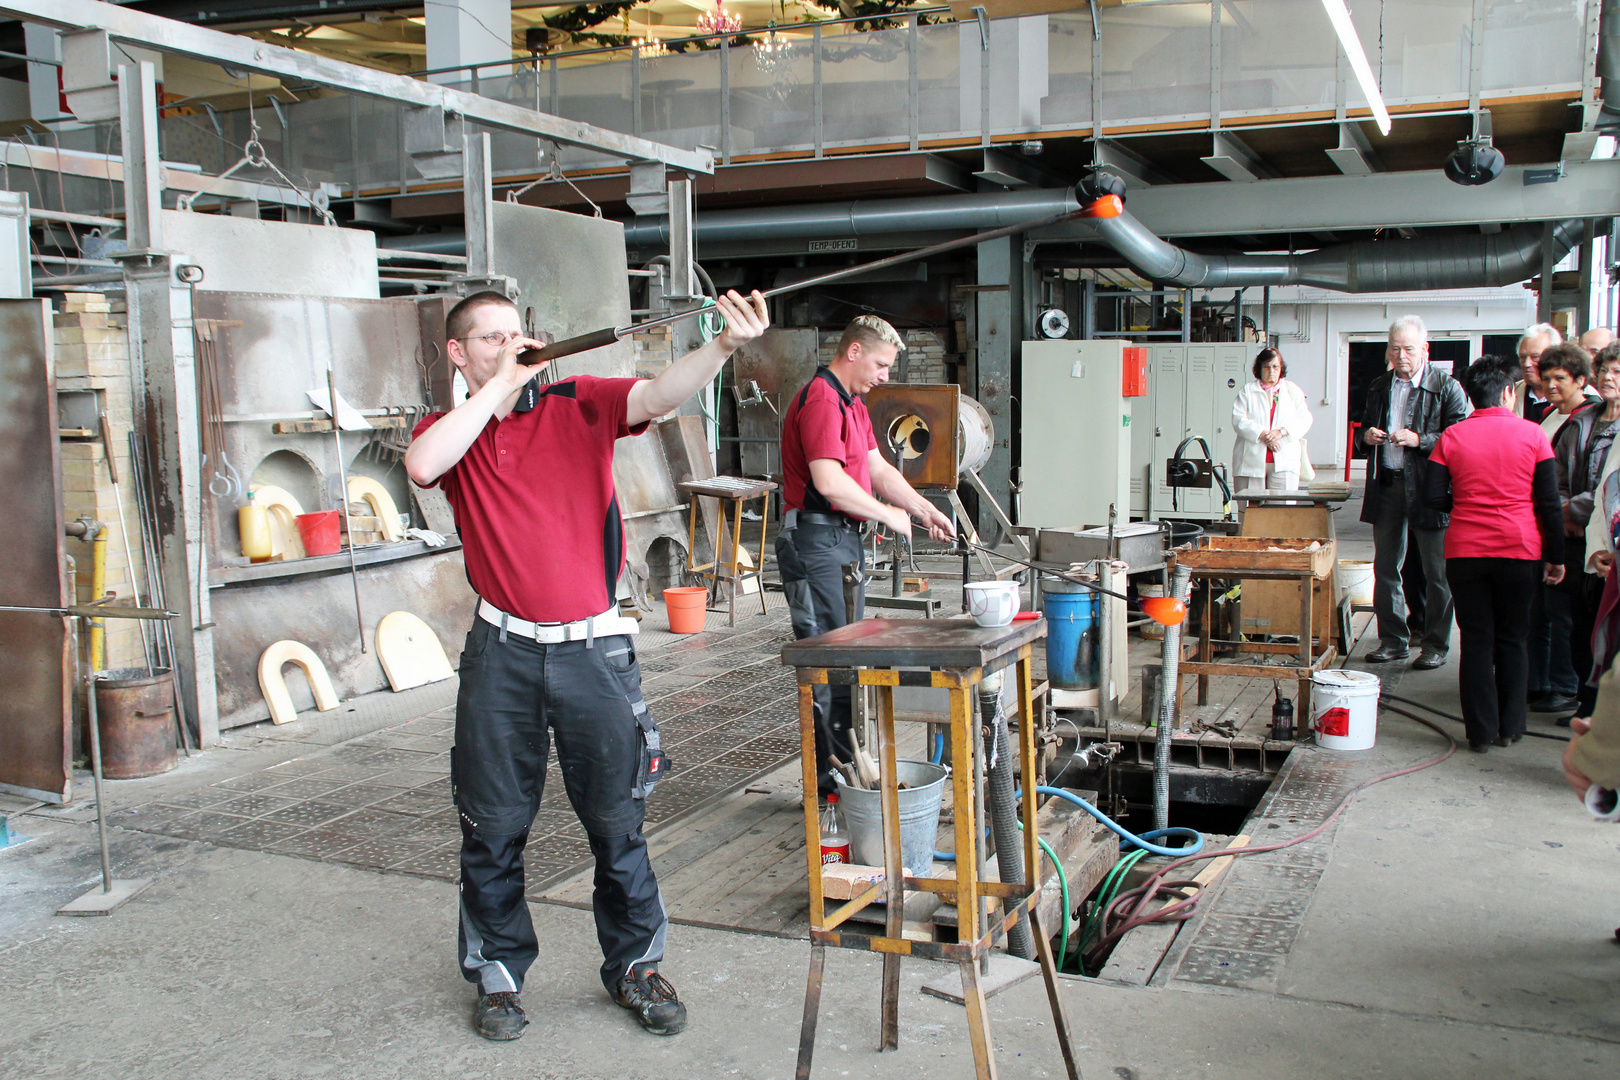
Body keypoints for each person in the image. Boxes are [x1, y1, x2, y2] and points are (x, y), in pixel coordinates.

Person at [404, 287, 770, 1041]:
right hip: (501, 652)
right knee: (493, 824)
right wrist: (498, 389)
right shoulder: (453, 430)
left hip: (594, 650)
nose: (511, 344)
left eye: (518, 332)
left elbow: (657, 390)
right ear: (459, 353)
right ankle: (498, 977)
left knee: (617, 821)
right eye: (492, 338)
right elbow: (421, 464)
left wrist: (723, 349)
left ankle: (635, 967)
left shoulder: (579, 402)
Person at [776, 315, 956, 796]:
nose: (884, 376)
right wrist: (888, 516)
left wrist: (921, 509)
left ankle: (844, 778)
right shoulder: (820, 399)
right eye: (880, 364)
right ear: (853, 351)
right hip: (815, 542)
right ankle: (829, 790)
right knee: (827, 667)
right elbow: (828, 482)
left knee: (847, 661)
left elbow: (875, 467)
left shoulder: (852, 404)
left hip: (841, 542)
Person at [1423, 359, 1565, 752]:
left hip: (1466, 552)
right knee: (1514, 640)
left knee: (1476, 641)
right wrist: (1557, 556)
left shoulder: (1451, 437)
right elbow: (1550, 505)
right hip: (1520, 551)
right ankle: (1511, 727)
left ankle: (1480, 733)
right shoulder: (1534, 435)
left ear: (1469, 394)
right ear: (1508, 392)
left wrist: (1466, 506)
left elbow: (1433, 496)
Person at [1359, 315, 1471, 668]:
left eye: (1408, 348)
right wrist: (1367, 437)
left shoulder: (1447, 386)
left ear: (1425, 349)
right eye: (1395, 348)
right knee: (1386, 567)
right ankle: (1393, 640)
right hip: (1388, 485)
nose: (1401, 355)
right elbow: (1364, 429)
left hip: (1429, 489)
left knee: (1437, 572)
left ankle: (1436, 644)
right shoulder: (1380, 385)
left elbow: (1461, 438)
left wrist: (1421, 440)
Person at [1528, 343, 1600, 713]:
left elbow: (1600, 483)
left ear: (1581, 381)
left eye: (1560, 378)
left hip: (1576, 532)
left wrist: (1566, 508)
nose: (1551, 385)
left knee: (1566, 617)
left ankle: (1567, 686)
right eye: (1547, 378)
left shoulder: (1589, 420)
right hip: (1552, 526)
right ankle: (1546, 682)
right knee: (1548, 611)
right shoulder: (1551, 417)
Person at [1231, 346, 1313, 493]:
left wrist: (1282, 432)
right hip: (1251, 462)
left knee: (1282, 510)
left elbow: (1304, 419)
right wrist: (1265, 435)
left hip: (1285, 461)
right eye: (1266, 366)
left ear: (1281, 368)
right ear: (1259, 368)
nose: (1271, 371)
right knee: (1250, 511)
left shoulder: (1292, 390)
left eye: (1275, 366)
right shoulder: (1248, 391)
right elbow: (1239, 420)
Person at [1516, 323, 1562, 423]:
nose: (1527, 364)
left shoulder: (1581, 395)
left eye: (1535, 357)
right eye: (1523, 357)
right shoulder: (1511, 393)